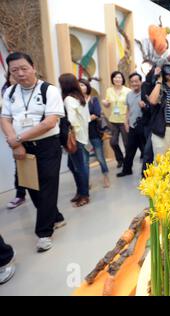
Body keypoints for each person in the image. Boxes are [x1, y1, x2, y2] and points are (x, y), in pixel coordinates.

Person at [1, 52, 65, 252]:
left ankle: (44, 233)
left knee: (47, 187)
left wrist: (19, 138)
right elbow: (5, 119)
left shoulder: (49, 90)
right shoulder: (10, 92)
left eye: (23, 68)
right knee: (30, 186)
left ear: (33, 67)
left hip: (48, 145)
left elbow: (50, 122)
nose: (20, 73)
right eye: (14, 70)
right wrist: (16, 143)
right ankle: (56, 217)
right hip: (24, 148)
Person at [59, 74, 90, 207]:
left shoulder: (68, 99)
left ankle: (84, 195)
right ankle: (80, 192)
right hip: (81, 136)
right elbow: (86, 118)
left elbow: (71, 119)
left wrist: (72, 134)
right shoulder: (80, 97)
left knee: (79, 167)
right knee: (73, 165)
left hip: (75, 137)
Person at [1, 71, 27, 209]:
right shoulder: (7, 94)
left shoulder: (32, 90)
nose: (17, 76)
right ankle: (20, 194)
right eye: (12, 75)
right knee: (20, 167)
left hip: (32, 135)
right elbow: (5, 119)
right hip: (16, 137)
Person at [79, 79, 110, 188]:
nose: (81, 87)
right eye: (78, 86)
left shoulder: (93, 99)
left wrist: (83, 119)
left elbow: (96, 113)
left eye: (82, 85)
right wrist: (87, 118)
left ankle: (106, 176)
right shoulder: (76, 101)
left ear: (87, 86)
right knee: (85, 160)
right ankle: (86, 182)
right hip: (82, 135)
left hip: (94, 133)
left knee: (100, 157)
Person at [117, 73, 146, 177]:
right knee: (129, 149)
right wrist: (126, 122)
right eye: (132, 81)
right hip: (132, 126)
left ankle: (148, 173)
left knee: (145, 151)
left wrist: (144, 105)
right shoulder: (129, 95)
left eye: (136, 81)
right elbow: (128, 109)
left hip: (143, 126)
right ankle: (127, 170)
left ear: (140, 81)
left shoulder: (145, 93)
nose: (134, 83)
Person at [102, 71, 131, 169]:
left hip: (124, 120)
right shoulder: (109, 90)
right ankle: (120, 159)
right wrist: (105, 103)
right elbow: (108, 104)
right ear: (112, 79)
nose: (117, 79)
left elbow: (130, 105)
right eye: (115, 77)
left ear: (122, 79)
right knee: (113, 142)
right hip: (113, 120)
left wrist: (128, 118)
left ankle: (127, 161)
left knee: (127, 142)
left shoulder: (128, 91)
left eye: (119, 77)